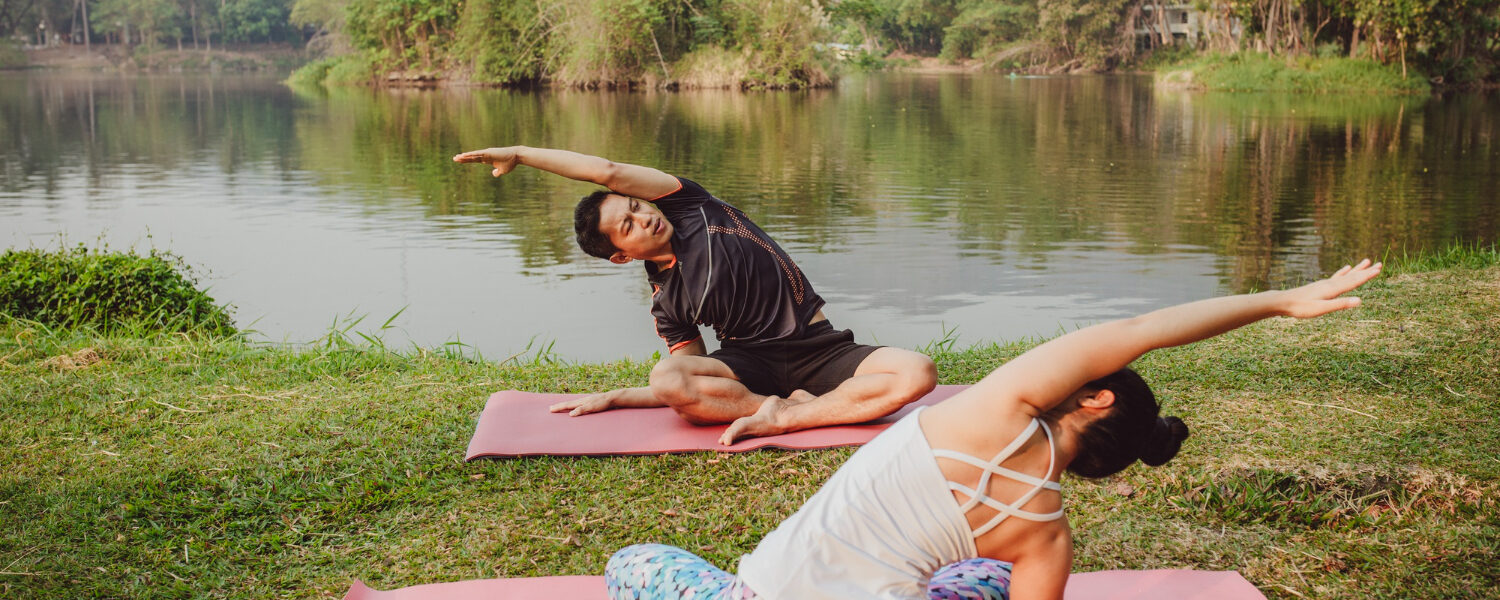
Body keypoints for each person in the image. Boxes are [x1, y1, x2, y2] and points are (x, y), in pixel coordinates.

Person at [603, 260, 1384, 599]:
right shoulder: (1047, 536)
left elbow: (1147, 326)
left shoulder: (998, 406)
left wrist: (1281, 300)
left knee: (632, 561)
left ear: (1096, 400)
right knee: (988, 580)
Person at [453, 146, 937, 445]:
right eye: (629, 224)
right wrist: (620, 397)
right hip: (752, 367)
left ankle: (788, 416)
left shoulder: (692, 206)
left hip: (823, 349)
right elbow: (689, 384)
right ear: (622, 256)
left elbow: (606, 169)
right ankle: (778, 408)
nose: (644, 217)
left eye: (637, 207)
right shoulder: (667, 303)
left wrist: (522, 152)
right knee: (667, 377)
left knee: (918, 371)